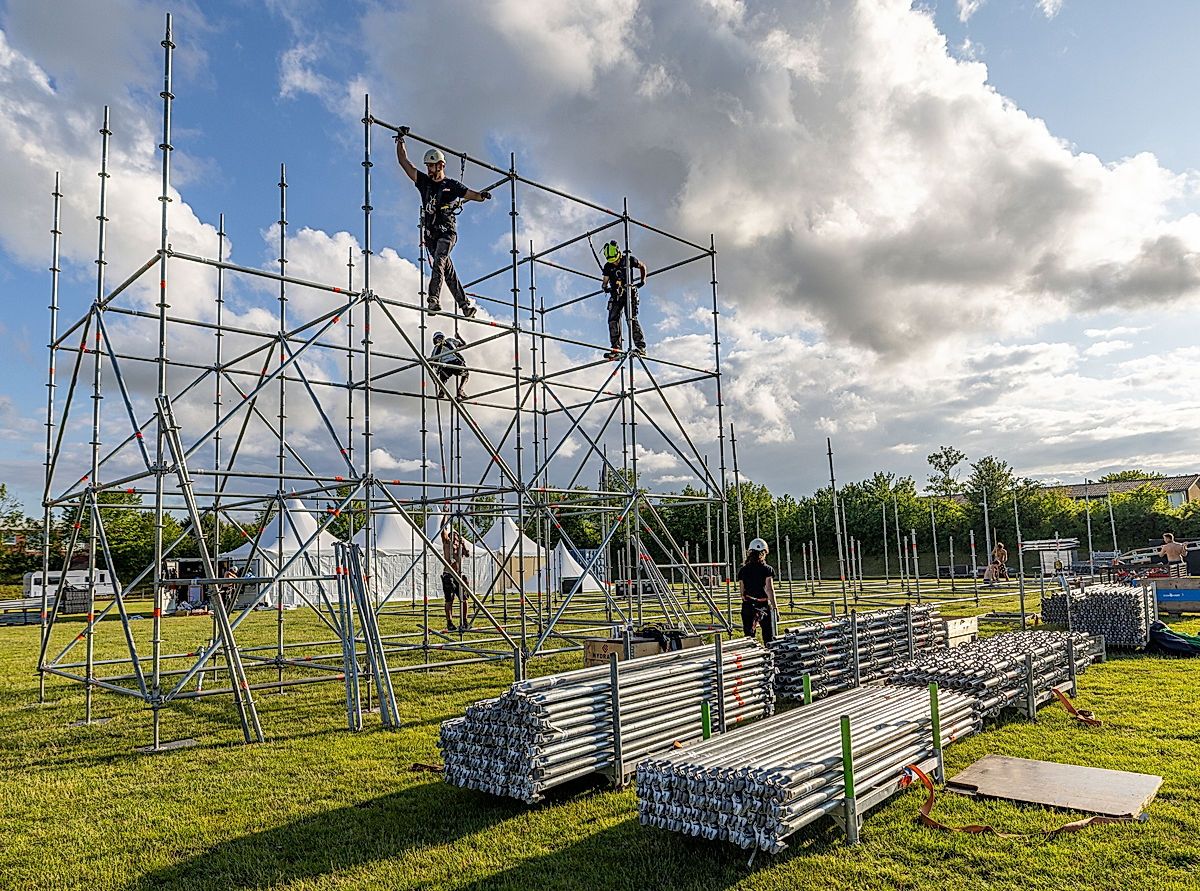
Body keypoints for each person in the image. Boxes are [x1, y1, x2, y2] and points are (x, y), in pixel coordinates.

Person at [394, 130, 490, 316]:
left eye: (432, 166)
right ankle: (465, 306)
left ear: (440, 165)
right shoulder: (424, 182)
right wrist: (400, 141)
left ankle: (433, 299)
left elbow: (471, 194)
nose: (429, 170)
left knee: (439, 261)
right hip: (431, 235)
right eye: (427, 167)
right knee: (447, 271)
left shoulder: (451, 186)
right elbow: (404, 163)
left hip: (447, 233)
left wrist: (481, 196)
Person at [600, 240, 647, 359]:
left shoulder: (629, 260)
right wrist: (605, 287)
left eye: (616, 260)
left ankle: (641, 347)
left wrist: (642, 280)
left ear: (619, 254)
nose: (614, 263)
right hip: (616, 295)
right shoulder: (608, 266)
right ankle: (616, 349)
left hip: (629, 293)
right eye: (612, 261)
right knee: (613, 320)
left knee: (631, 318)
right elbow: (605, 281)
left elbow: (642, 266)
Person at [737, 538, 778, 644]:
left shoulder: (743, 570)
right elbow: (770, 589)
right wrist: (774, 607)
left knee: (749, 635)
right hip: (763, 604)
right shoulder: (767, 569)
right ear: (763, 553)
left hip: (749, 604)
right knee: (768, 635)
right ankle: (769, 655)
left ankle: (752, 656)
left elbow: (742, 592)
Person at [440, 522, 472, 631]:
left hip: (459, 574)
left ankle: (464, 621)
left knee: (464, 598)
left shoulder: (460, 547)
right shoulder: (447, 544)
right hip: (449, 574)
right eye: (453, 536)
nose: (455, 538)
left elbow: (468, 554)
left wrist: (463, 544)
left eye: (457, 536)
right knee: (449, 599)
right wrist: (445, 514)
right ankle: (449, 622)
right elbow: (442, 529)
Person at [430, 331, 469, 400]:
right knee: (466, 374)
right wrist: (459, 337)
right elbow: (464, 345)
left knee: (442, 377)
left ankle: (442, 390)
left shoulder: (435, 350)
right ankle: (461, 390)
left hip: (445, 366)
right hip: (456, 363)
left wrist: (433, 377)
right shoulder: (449, 340)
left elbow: (431, 364)